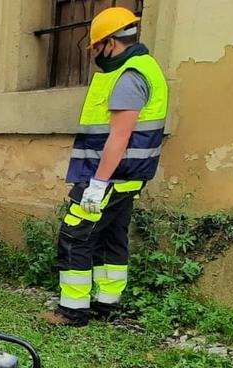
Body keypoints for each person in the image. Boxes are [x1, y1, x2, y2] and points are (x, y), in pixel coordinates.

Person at [40, 7, 168, 327]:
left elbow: (119, 138)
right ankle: (106, 303)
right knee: (112, 237)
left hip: (108, 177)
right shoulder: (144, 69)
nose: (93, 54)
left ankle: (72, 310)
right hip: (127, 180)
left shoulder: (128, 76)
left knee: (75, 236)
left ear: (110, 43)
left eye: (95, 47)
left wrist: (98, 182)